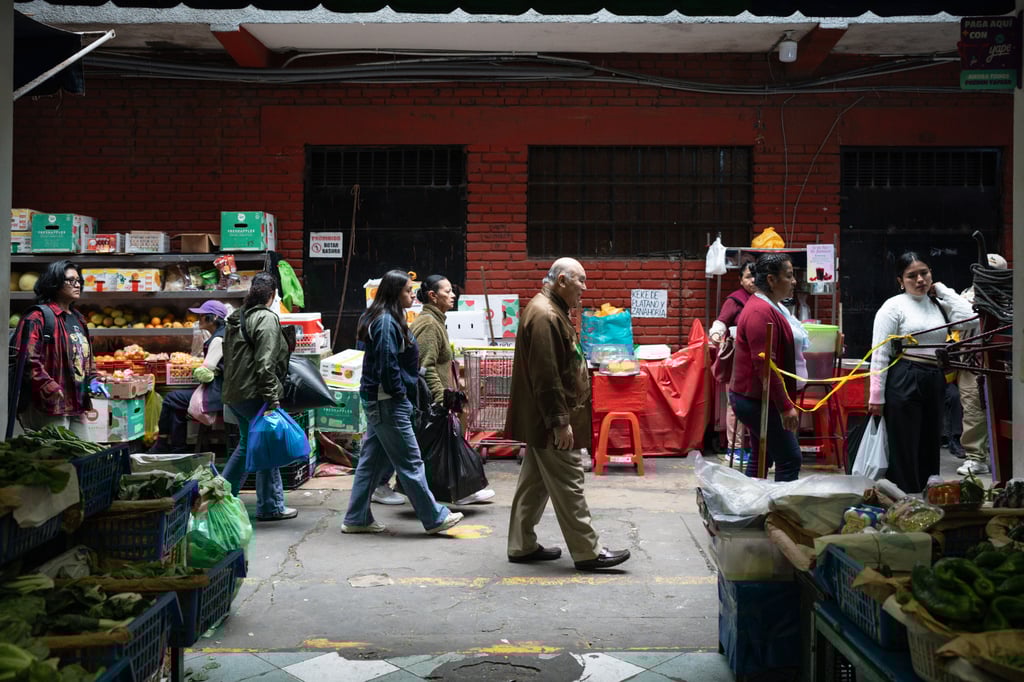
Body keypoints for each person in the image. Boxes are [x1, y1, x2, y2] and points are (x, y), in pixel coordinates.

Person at [505, 258, 630, 571]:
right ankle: (588, 551)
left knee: (534, 483)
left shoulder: (549, 309)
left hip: (541, 418)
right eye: (580, 281)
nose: (584, 289)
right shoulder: (546, 314)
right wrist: (560, 422)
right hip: (550, 420)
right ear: (562, 280)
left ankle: (522, 544)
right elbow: (547, 377)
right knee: (570, 481)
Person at [341, 269, 464, 535]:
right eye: (408, 290)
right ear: (395, 293)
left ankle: (356, 518)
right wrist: (399, 395)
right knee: (411, 462)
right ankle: (434, 518)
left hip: (381, 401)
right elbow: (387, 365)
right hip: (387, 402)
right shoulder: (386, 322)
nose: (413, 295)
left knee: (371, 463)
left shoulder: (386, 318)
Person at [868, 252, 973, 493]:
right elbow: (880, 352)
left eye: (924, 273)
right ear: (900, 281)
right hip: (905, 375)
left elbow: (971, 320)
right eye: (911, 276)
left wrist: (944, 291)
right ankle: (903, 496)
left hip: (934, 377)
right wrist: (876, 396)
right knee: (905, 442)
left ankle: (928, 494)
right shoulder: (893, 307)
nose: (920, 280)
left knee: (930, 439)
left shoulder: (938, 304)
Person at [409, 274, 495, 504]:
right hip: (433, 399)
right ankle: (462, 491)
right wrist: (440, 398)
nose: (453, 295)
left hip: (435, 397)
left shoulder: (435, 321)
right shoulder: (429, 324)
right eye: (447, 291)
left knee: (444, 446)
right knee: (447, 444)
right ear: (432, 296)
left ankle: (460, 491)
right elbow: (425, 367)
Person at [220, 272, 297, 522]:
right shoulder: (265, 318)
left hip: (235, 393)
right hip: (254, 394)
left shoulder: (238, 316)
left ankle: (220, 498)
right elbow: (265, 364)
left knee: (248, 446)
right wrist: (272, 398)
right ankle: (270, 506)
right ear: (273, 295)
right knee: (267, 446)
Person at [728, 253, 801, 482]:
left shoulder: (771, 306)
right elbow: (765, 364)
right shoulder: (760, 311)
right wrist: (785, 406)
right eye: (789, 276)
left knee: (762, 456)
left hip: (758, 398)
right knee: (790, 458)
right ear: (771, 280)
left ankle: (751, 502)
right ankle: (781, 505)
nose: (794, 281)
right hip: (756, 400)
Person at [10, 259, 97, 433]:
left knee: (83, 450)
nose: (77, 284)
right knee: (53, 450)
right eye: (70, 280)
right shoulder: (37, 317)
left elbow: (86, 355)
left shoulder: (78, 318)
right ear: (54, 283)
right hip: (48, 405)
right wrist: (48, 386)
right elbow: (26, 358)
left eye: (79, 280)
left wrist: (94, 378)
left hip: (77, 404)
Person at [148, 300, 229, 453]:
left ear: (214, 318)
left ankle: (162, 443)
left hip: (217, 393)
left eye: (202, 316)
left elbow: (206, 372)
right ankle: (177, 448)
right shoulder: (222, 334)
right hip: (221, 388)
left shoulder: (218, 340)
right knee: (176, 406)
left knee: (171, 399)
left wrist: (195, 370)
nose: (199, 319)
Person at [956, 253, 1007, 476]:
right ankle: (975, 457)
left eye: (993, 273)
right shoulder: (966, 298)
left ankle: (1009, 456)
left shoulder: (1010, 297)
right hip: (972, 363)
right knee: (973, 410)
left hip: (1004, 363)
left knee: (1007, 410)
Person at [709, 262, 756, 463]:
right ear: (740, 280)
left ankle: (755, 447)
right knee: (735, 403)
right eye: (748, 276)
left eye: (756, 276)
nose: (753, 280)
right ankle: (735, 448)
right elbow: (720, 323)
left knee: (756, 404)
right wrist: (716, 334)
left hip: (759, 359)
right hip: (738, 359)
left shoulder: (765, 299)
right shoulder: (735, 300)